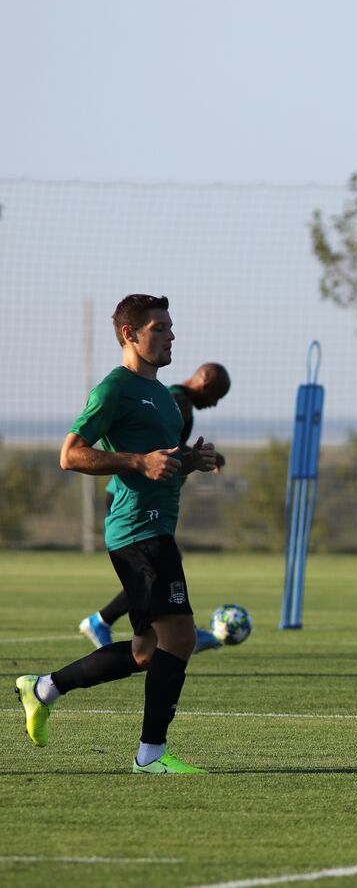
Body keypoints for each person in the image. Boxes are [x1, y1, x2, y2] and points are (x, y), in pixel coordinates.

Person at [15, 294, 219, 773]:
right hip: (138, 531)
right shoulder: (113, 390)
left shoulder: (166, 400)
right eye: (160, 328)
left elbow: (159, 465)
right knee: (182, 637)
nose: (171, 336)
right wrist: (136, 461)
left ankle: (43, 688)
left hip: (154, 528)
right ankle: (150, 756)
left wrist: (190, 461)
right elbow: (70, 455)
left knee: (148, 651)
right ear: (131, 335)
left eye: (171, 327)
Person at [79, 362, 230, 653]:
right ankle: (114, 622)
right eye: (216, 397)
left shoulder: (177, 400)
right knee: (158, 568)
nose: (214, 405)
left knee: (162, 567)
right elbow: (166, 449)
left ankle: (155, 629)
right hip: (134, 498)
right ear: (206, 385)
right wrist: (203, 456)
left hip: (146, 498)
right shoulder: (178, 402)